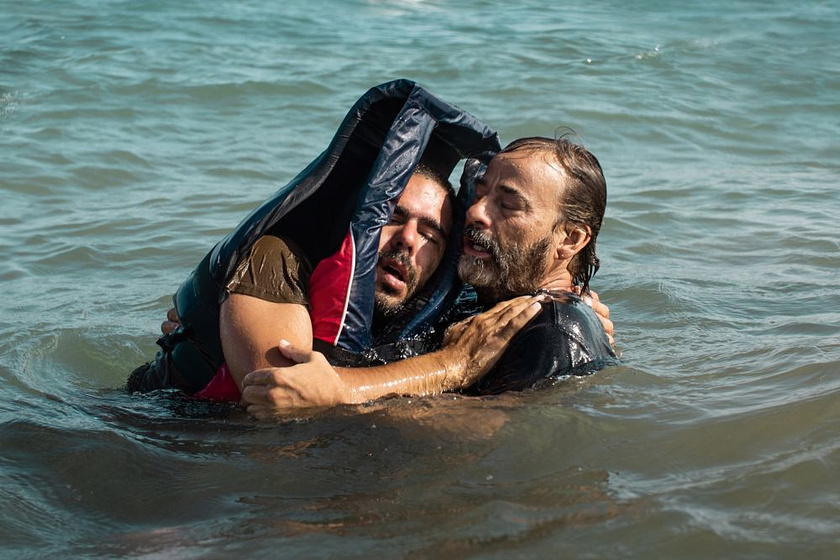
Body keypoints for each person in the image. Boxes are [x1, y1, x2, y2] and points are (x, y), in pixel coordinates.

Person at [240, 136, 619, 415]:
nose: (476, 213)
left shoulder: (552, 330)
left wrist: (345, 390)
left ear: (570, 238)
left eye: (506, 204)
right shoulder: (477, 300)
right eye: (480, 195)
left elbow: (494, 441)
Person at [128, 165, 548, 398]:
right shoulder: (274, 260)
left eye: (430, 235)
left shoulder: (422, 319)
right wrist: (450, 366)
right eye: (395, 217)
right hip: (156, 437)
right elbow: (283, 405)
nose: (407, 239)